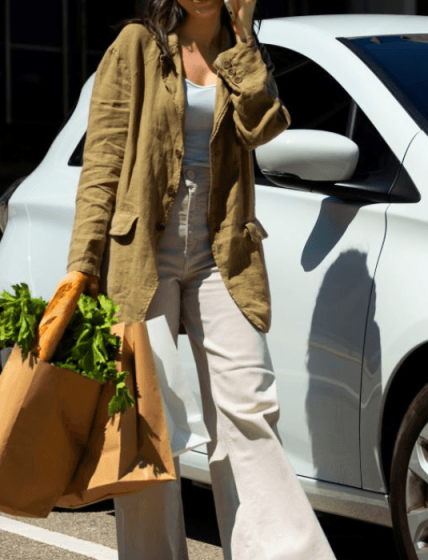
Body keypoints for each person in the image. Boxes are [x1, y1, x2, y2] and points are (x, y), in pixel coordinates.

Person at [63, 1, 337, 558]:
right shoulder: (138, 45)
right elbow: (103, 161)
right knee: (148, 420)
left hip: (223, 249)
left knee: (249, 406)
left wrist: (241, 44)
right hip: (143, 249)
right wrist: (82, 266)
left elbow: (263, 127)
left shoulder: (240, 50)